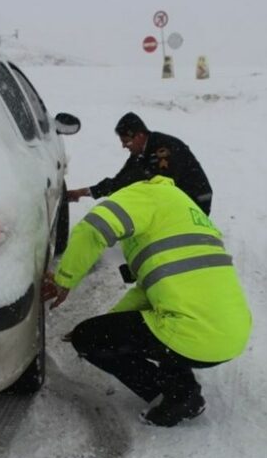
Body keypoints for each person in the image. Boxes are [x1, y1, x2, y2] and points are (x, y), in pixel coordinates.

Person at [42, 175, 251, 427]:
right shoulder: (183, 210)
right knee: (162, 327)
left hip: (192, 333)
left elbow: (93, 228)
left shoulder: (144, 194)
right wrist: (107, 323)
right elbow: (148, 295)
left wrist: (63, 280)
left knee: (89, 338)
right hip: (230, 337)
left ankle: (179, 397)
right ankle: (181, 386)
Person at [66, 112, 214, 215]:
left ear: (139, 136)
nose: (124, 146)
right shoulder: (140, 154)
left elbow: (164, 189)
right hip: (177, 200)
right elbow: (120, 182)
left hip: (196, 202)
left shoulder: (163, 149)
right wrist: (84, 192)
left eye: (126, 141)